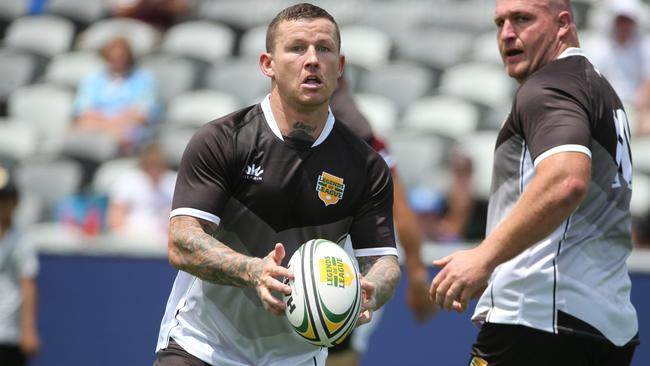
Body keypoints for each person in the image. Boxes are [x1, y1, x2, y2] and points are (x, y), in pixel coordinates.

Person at [154, 3, 401, 366]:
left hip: (298, 358)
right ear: (267, 64)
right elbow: (182, 242)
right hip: (203, 346)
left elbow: (383, 262)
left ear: (341, 67)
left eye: (325, 49)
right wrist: (253, 271)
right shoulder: (223, 140)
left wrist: (371, 289)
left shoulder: (366, 166)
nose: (313, 59)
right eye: (297, 48)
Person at [429, 1, 639, 365]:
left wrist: (485, 256)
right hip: (606, 329)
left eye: (522, 19)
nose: (507, 33)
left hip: (537, 319)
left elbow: (566, 180)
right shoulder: (597, 88)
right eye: (500, 22)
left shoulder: (549, 86)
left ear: (563, 24)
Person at [326, 76, 436, 366]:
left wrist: (416, 274)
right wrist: (416, 274)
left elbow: (399, 209)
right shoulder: (369, 139)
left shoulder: (364, 140)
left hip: (344, 274)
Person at [72, 37, 160, 155]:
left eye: (121, 56)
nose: (117, 60)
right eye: (113, 57)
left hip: (127, 130)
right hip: (99, 126)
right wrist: (109, 125)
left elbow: (142, 114)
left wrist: (116, 123)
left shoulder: (144, 79)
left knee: (128, 133)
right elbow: (83, 112)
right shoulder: (93, 79)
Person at [588, 0, 650, 135]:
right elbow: (594, 81)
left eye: (627, 20)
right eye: (620, 20)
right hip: (609, 107)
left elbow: (647, 82)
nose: (623, 24)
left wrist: (643, 113)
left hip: (637, 108)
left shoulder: (645, 46)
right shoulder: (600, 46)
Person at [0, 166, 40, 366]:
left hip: (8, 333)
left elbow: (27, 285)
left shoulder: (21, 241)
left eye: (5, 200)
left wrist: (28, 329)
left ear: (14, 203)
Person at [107, 142, 176, 244]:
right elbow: (115, 218)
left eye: (159, 165)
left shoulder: (174, 181)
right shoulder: (127, 180)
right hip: (131, 238)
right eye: (152, 165)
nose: (155, 170)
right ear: (144, 164)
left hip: (164, 240)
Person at [106, 0, 193, 31]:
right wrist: (140, 4)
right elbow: (117, 13)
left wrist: (161, 4)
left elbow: (185, 8)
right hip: (127, 27)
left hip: (160, 28)